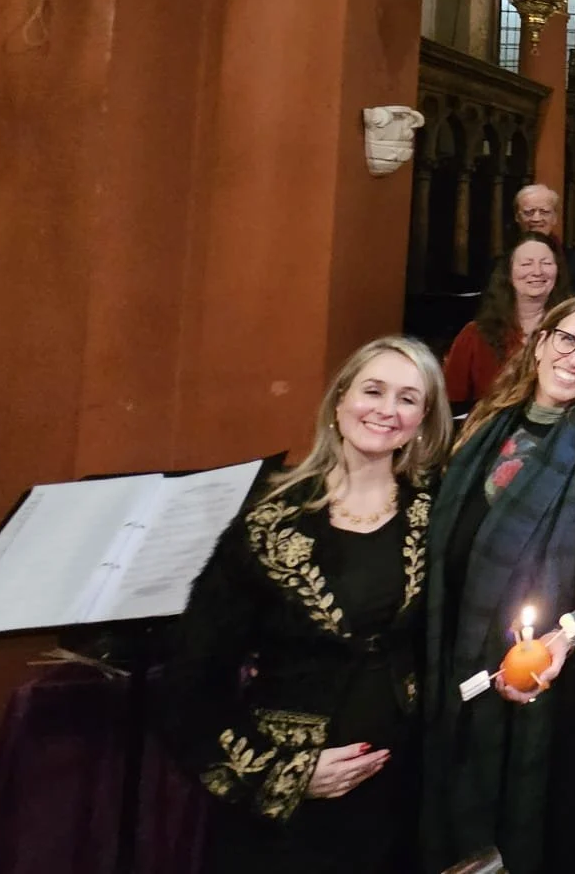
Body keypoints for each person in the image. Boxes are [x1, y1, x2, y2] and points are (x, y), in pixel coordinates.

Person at [161, 337, 451, 874]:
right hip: (290, 822)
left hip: (403, 796)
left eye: (409, 398)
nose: (387, 410)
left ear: (424, 418)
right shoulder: (269, 522)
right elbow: (189, 679)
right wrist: (285, 775)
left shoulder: (437, 514)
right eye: (373, 390)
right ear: (339, 402)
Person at [423, 294, 575, 874]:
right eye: (568, 339)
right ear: (542, 340)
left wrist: (565, 636)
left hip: (550, 680)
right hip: (458, 656)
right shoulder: (486, 421)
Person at [444, 230, 571, 407]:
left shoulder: (573, 334)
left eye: (546, 263)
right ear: (508, 273)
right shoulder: (474, 335)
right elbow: (449, 404)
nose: (537, 272)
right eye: (526, 264)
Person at [513, 183, 575, 295]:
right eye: (529, 212)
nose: (536, 218)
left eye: (544, 212)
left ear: (555, 217)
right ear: (517, 217)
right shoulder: (504, 261)